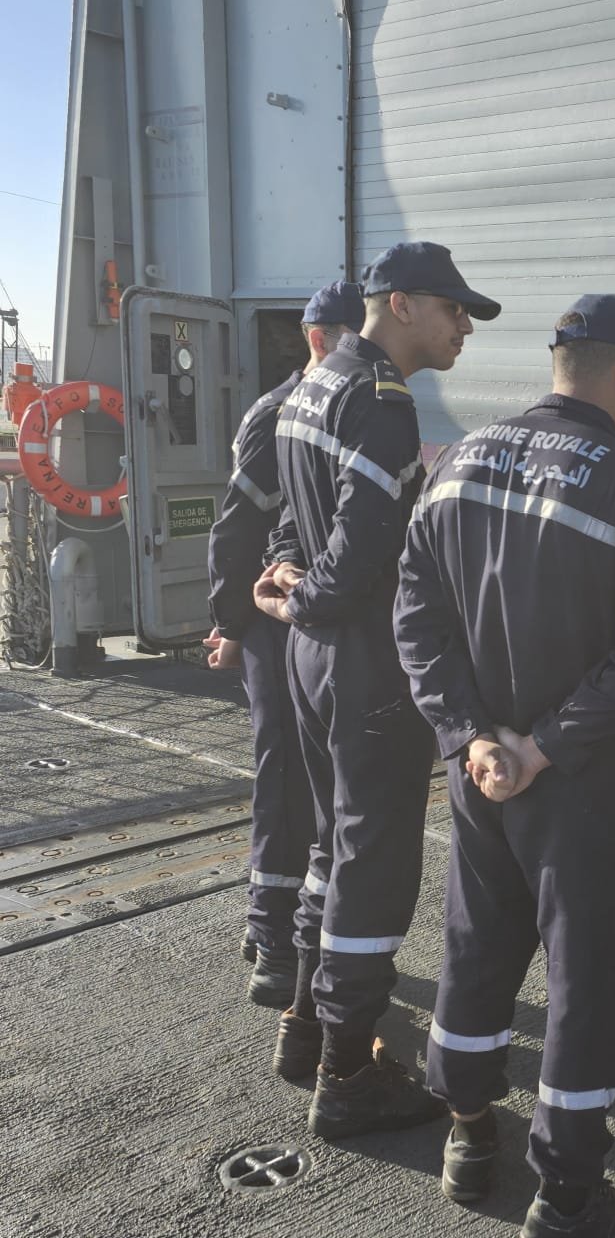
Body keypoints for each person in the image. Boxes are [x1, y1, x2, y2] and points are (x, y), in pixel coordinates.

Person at [393, 294, 615, 1238]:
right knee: (587, 981)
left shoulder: (460, 459)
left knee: (476, 949)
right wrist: (543, 746)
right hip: (582, 787)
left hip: (481, 777)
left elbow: (417, 622)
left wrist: (474, 736)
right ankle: (566, 1198)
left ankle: (470, 1135)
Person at [254, 242, 501, 1140]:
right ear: (399, 304)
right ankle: (348, 1073)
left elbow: (292, 515)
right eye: (452, 309)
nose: (463, 325)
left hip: (310, 657)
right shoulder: (382, 404)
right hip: (366, 663)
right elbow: (361, 552)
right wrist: (311, 592)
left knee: (331, 841)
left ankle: (306, 1025)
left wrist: (284, 582)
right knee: (375, 859)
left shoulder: (311, 385)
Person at [204, 282, 365, 1007]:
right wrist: (233, 625)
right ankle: (274, 940)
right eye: (349, 338)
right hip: (274, 621)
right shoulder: (281, 415)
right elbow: (236, 529)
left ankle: (268, 919)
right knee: (285, 780)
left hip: (305, 616)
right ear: (317, 338)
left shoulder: (334, 406)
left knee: (306, 781)